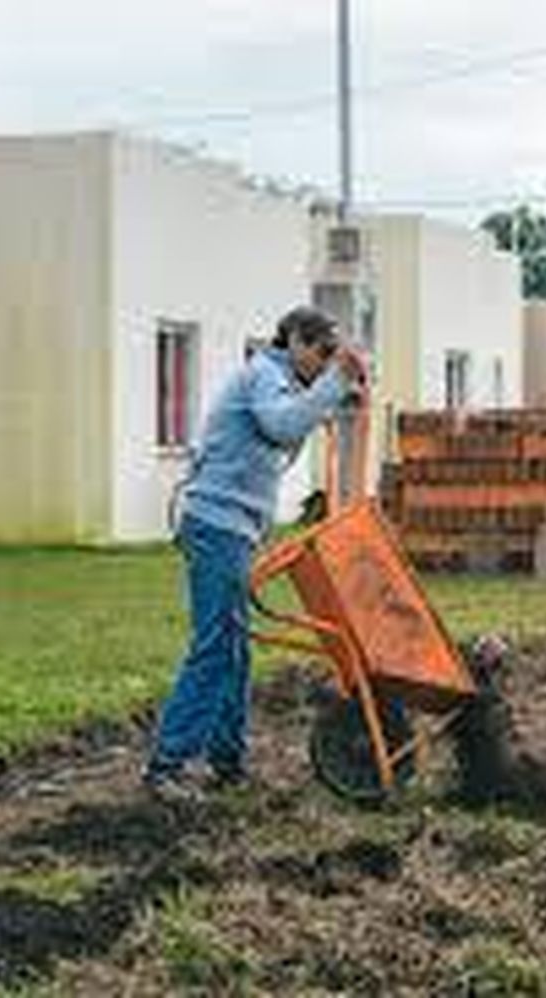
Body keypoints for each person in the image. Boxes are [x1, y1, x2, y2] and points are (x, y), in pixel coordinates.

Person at [144, 305, 366, 801]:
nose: (326, 362)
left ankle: (228, 762)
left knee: (236, 652)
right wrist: (334, 385)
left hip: (234, 529)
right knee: (216, 647)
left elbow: (298, 418)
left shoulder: (283, 383)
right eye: (322, 352)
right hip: (216, 526)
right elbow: (283, 427)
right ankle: (167, 766)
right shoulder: (265, 375)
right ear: (296, 343)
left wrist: (339, 393)